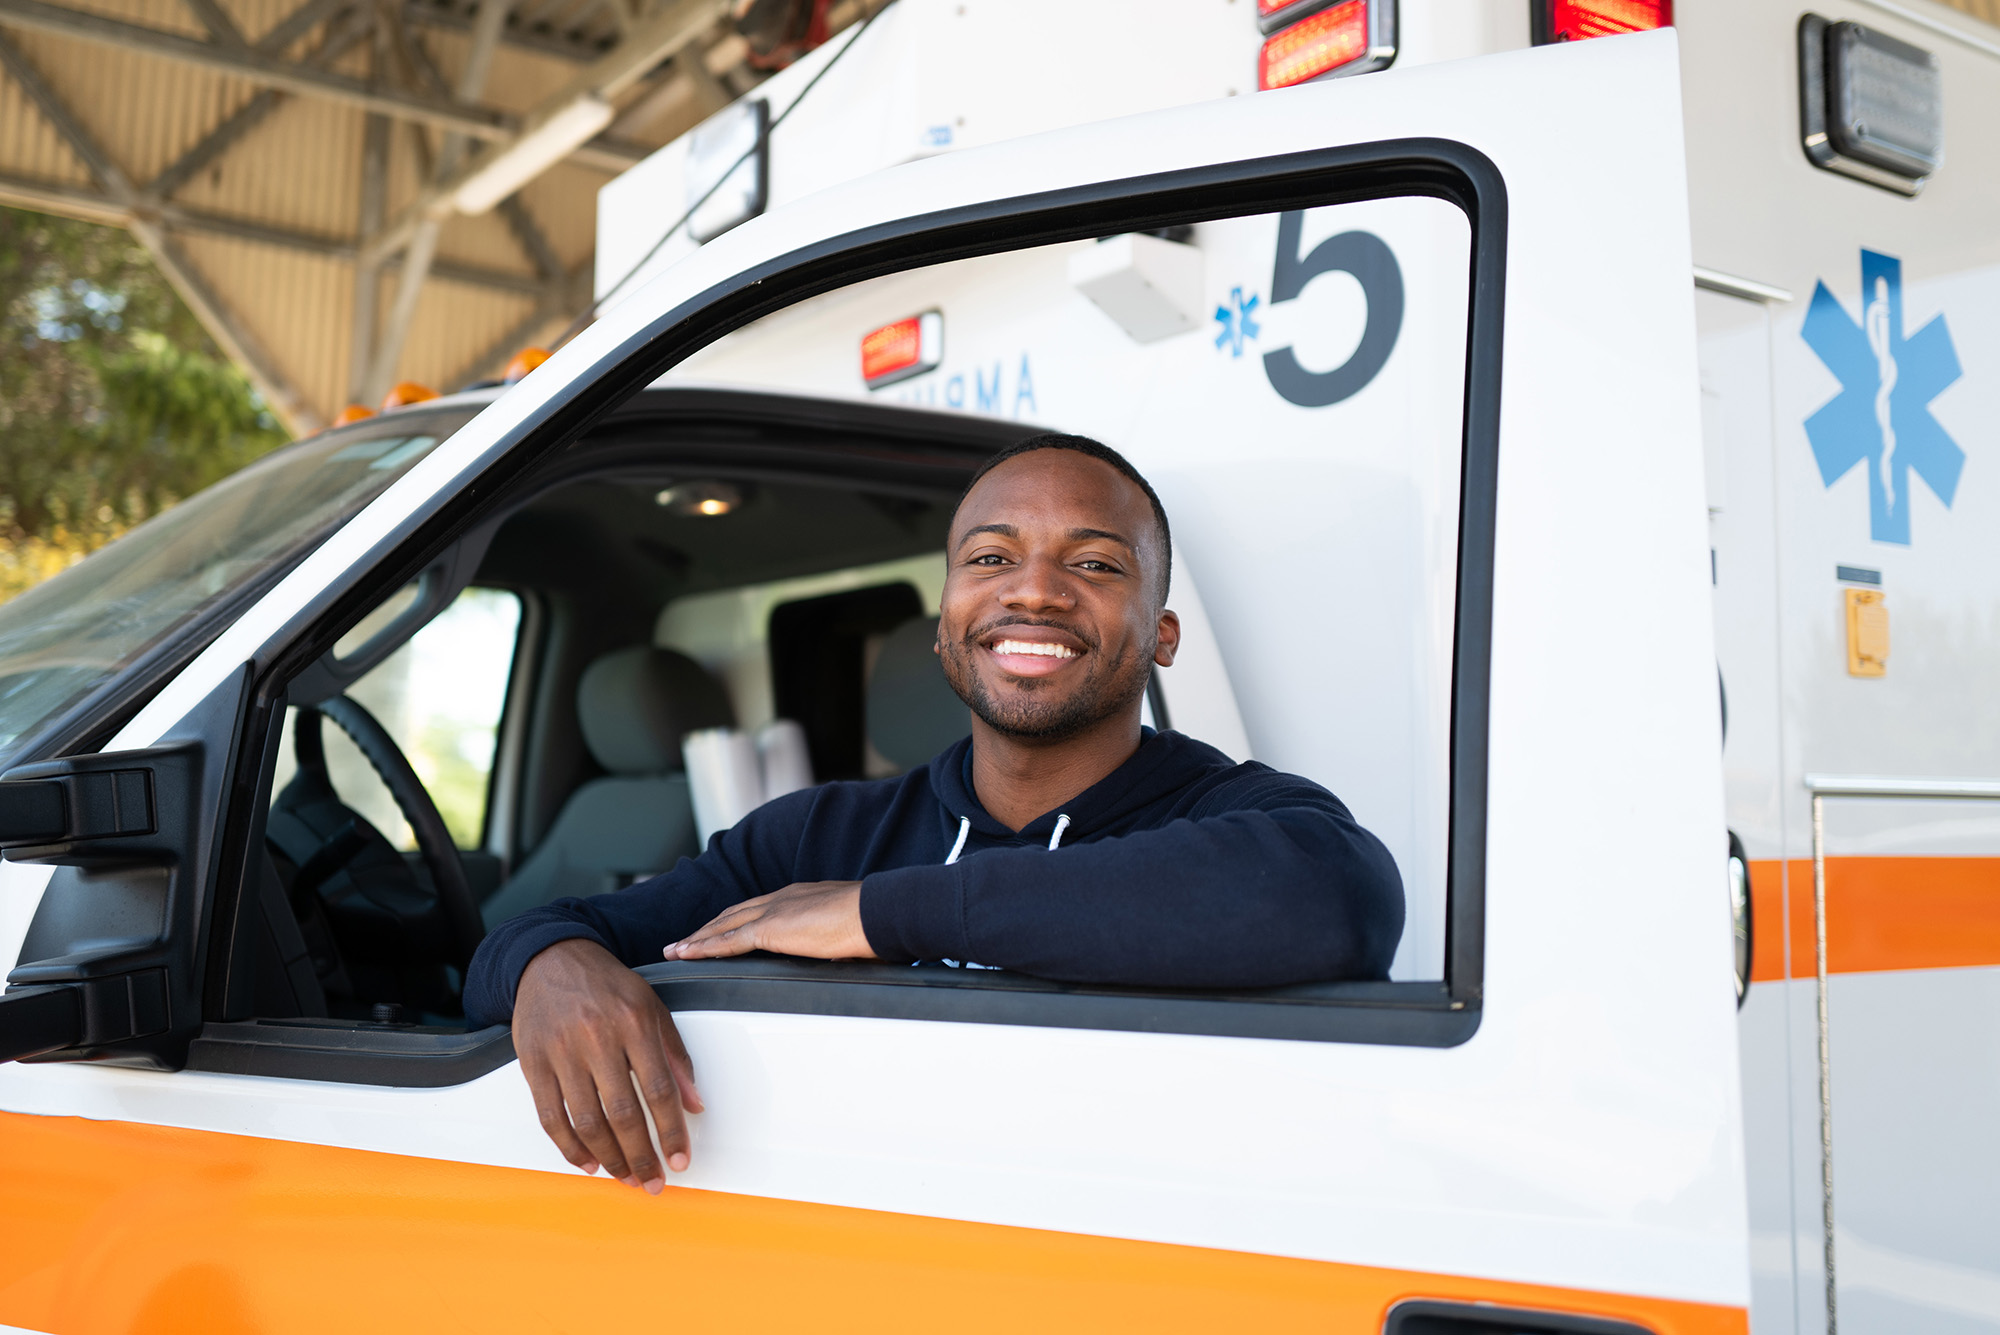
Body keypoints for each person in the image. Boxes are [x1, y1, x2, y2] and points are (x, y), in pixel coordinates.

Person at [463, 434, 1404, 1195]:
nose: (1033, 588)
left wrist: (876, 914)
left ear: (1162, 634)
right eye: (991, 556)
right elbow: (546, 938)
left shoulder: (1239, 815)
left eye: (1096, 562)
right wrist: (550, 966)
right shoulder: (814, 835)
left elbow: (1341, 899)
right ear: (948, 617)